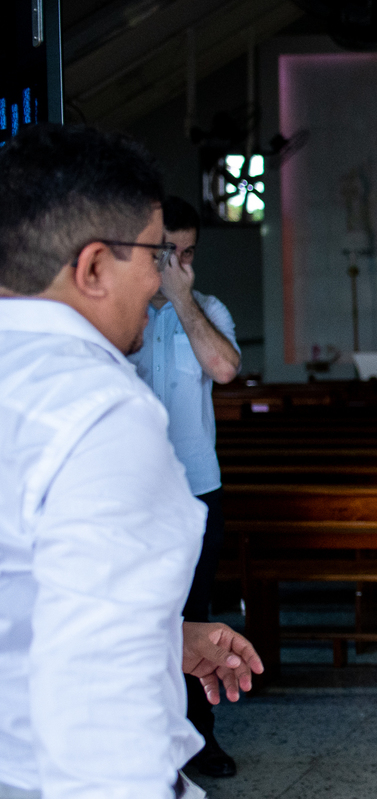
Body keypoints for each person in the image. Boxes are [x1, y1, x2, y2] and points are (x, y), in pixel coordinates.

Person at [0, 125, 262, 799]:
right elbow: (102, 703)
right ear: (91, 268)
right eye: (153, 254)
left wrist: (163, 631)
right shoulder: (103, 409)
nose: (161, 276)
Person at [126, 196, 242, 778]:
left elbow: (223, 368)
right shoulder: (123, 314)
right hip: (135, 491)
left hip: (197, 490)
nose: (179, 263)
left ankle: (202, 740)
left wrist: (180, 298)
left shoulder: (207, 308)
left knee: (197, 613)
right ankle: (150, 742)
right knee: (142, 614)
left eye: (188, 253)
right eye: (167, 252)